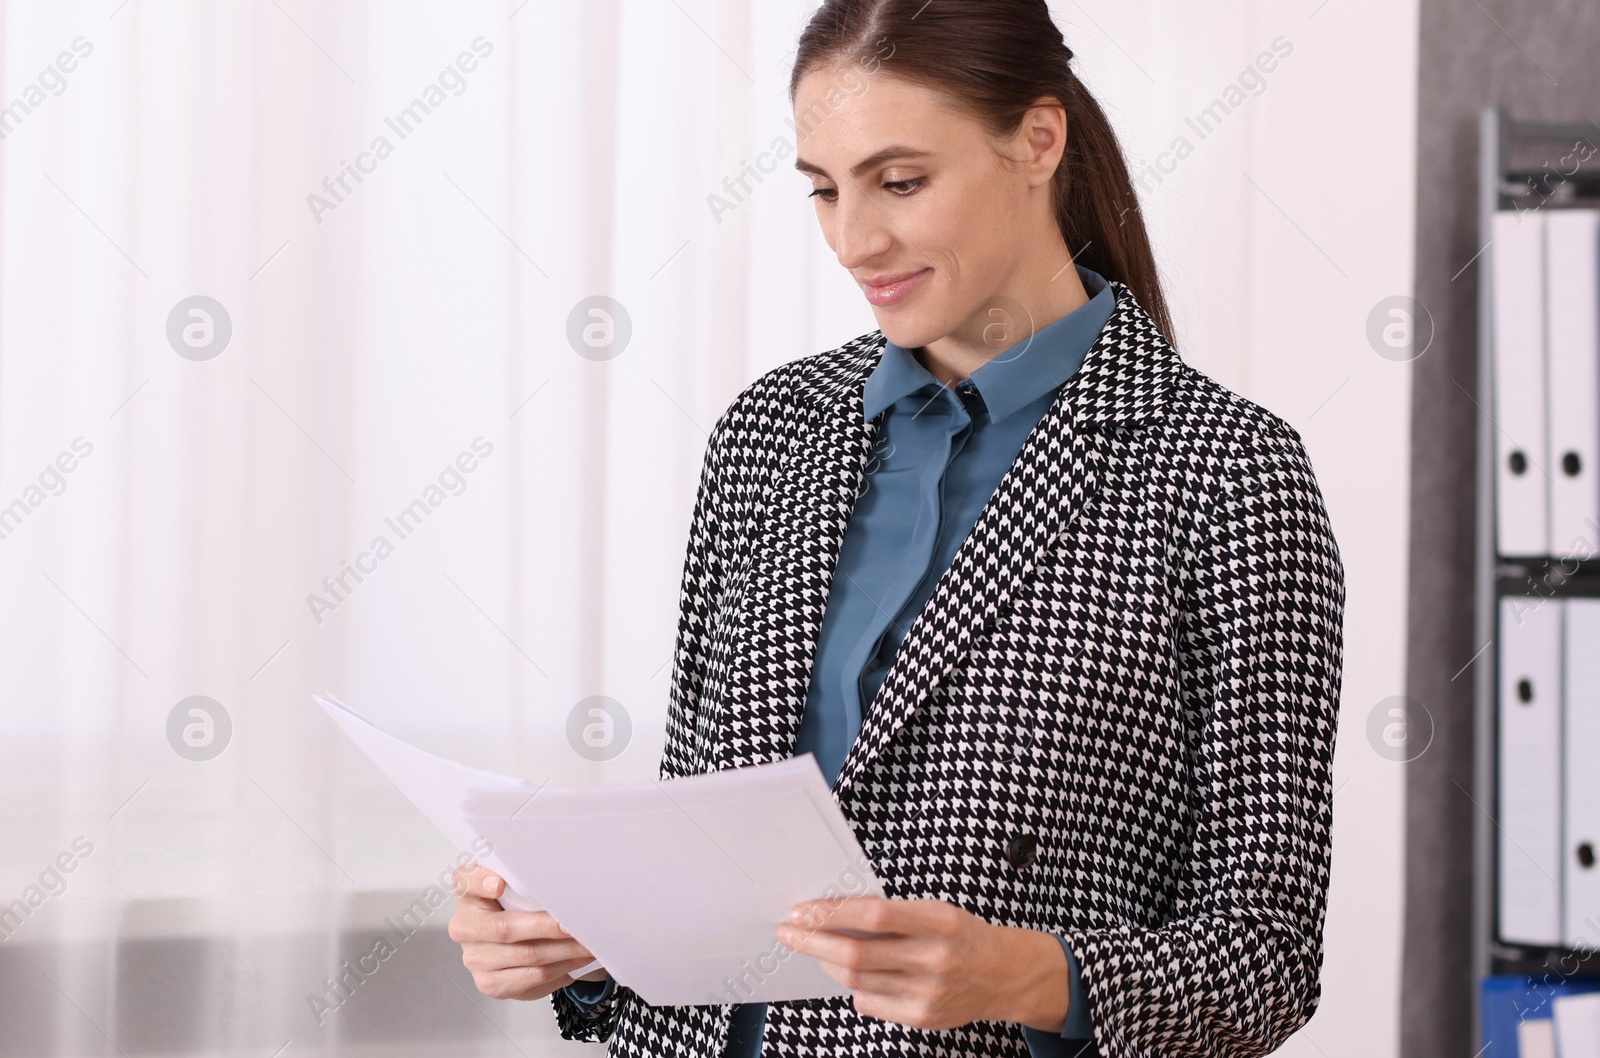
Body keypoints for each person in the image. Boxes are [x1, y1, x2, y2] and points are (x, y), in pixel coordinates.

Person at [448, 1, 1346, 1056]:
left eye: (900, 181)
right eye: (823, 190)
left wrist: (1023, 972)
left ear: (1037, 141)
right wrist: (588, 944)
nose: (852, 239)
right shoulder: (770, 434)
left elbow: (1266, 955)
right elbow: (696, 853)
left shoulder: (1227, 473)